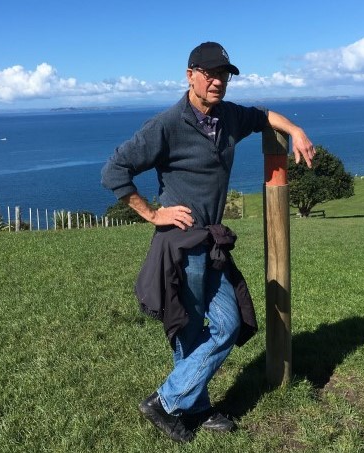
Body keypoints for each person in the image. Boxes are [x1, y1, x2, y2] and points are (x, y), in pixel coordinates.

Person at [101, 41, 315, 443]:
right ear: (190, 75)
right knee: (190, 329)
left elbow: (263, 115)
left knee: (227, 324)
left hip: (211, 243)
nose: (218, 81)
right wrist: (153, 212)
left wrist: (296, 130)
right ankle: (172, 403)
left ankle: (185, 402)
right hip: (182, 244)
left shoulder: (228, 117)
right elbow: (114, 170)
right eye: (210, 74)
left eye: (224, 75)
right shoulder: (166, 125)